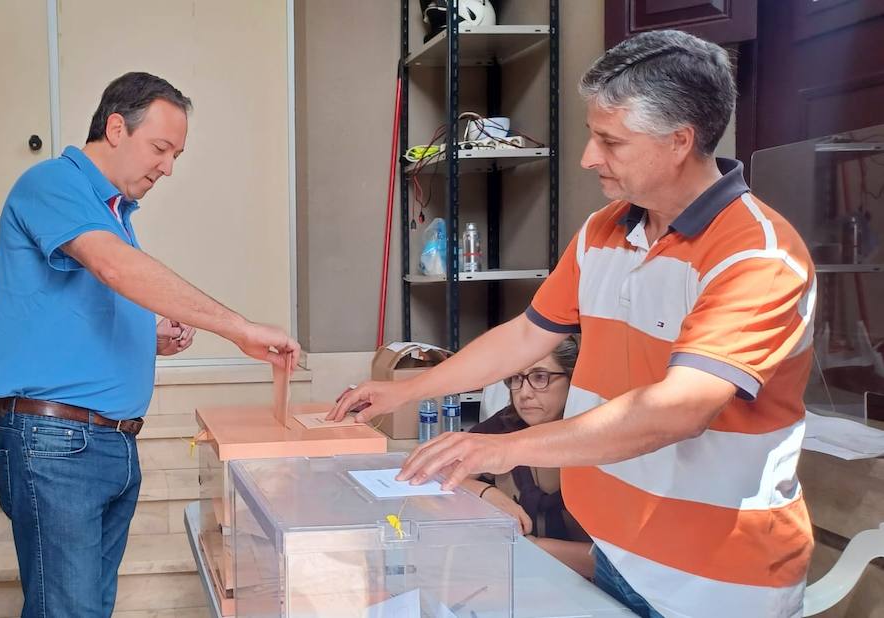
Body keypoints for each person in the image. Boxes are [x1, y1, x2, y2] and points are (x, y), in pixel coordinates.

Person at [330, 31, 814, 617]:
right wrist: (407, 390)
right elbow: (526, 335)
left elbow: (678, 411)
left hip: (714, 585)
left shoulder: (756, 256)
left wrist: (502, 449)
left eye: (611, 141)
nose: (588, 157)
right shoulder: (602, 231)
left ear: (679, 141)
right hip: (614, 549)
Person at [0, 72, 300, 618]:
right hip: (57, 443)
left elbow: (74, 308)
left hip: (107, 442)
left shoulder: (112, 213)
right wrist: (240, 328)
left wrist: (146, 336)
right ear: (116, 128)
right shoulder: (51, 183)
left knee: (88, 609)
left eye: (176, 155)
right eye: (160, 148)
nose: (168, 167)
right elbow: (115, 268)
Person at [457, 337, 594, 578]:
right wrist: (488, 494)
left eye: (540, 377)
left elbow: (619, 566)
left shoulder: (599, 440)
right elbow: (439, 478)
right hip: (519, 575)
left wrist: (534, 548)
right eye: (516, 379)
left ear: (572, 378)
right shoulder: (505, 425)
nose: (524, 393)